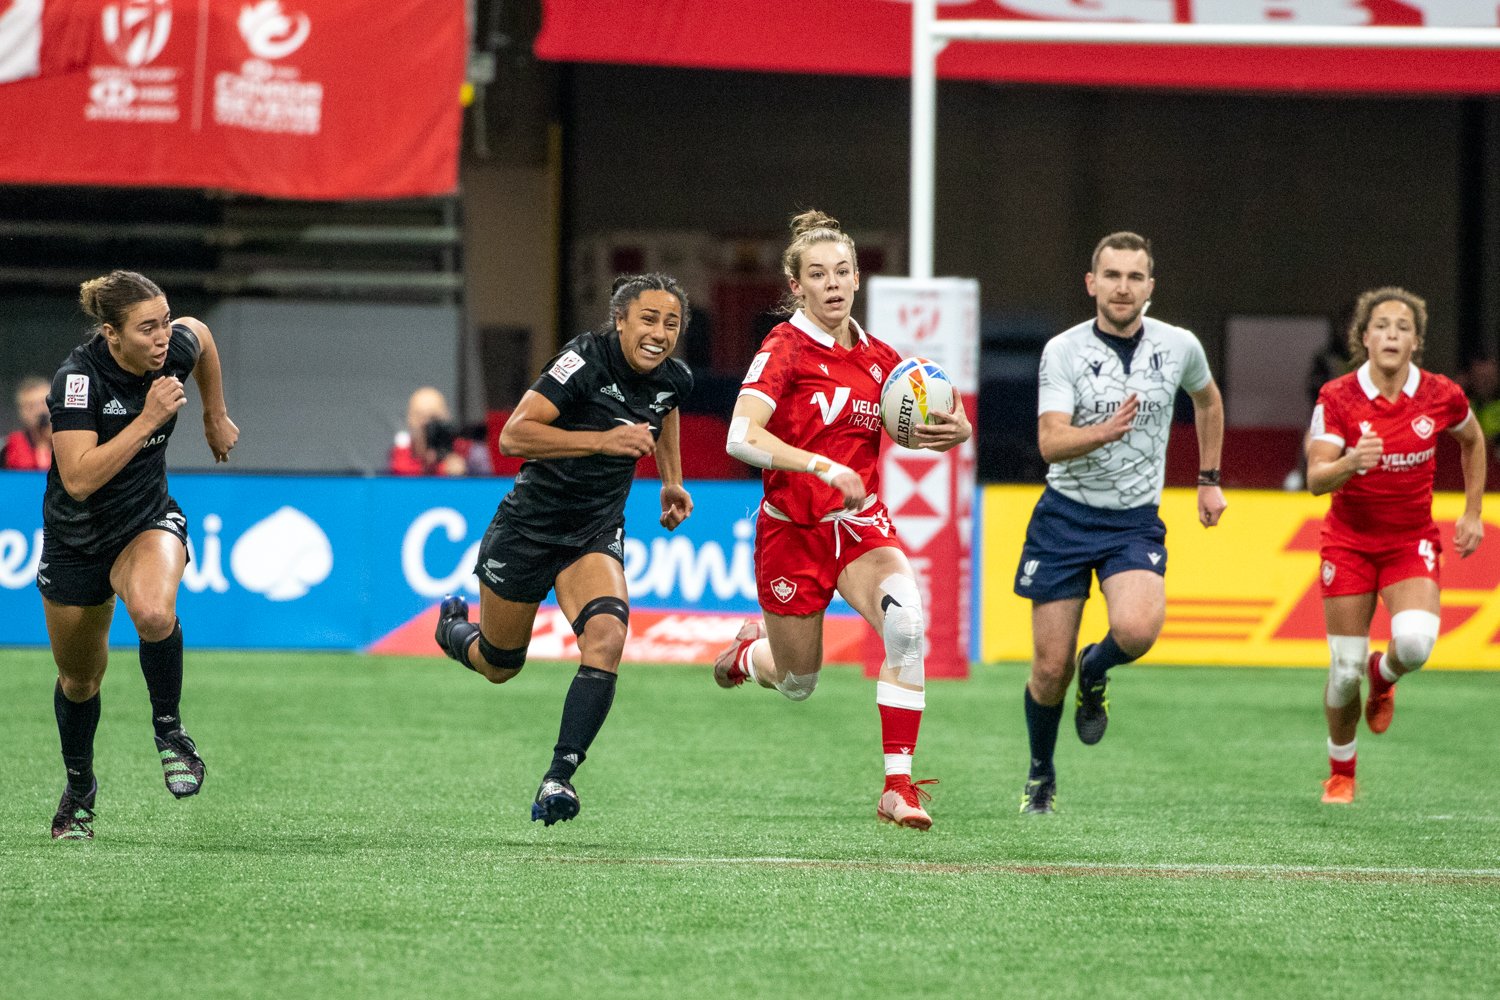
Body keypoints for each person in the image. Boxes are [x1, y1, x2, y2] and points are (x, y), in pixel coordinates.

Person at [710, 210, 971, 831]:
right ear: (795, 286)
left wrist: (954, 430)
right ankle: (752, 655)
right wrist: (822, 467)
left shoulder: (885, 362)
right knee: (799, 683)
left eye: (843, 271)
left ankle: (898, 788)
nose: (833, 283)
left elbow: (923, 423)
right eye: (818, 274)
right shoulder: (784, 349)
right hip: (791, 532)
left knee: (907, 625)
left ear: (858, 278)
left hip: (858, 529)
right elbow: (739, 437)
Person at [432, 273, 694, 825]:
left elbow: (665, 408)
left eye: (672, 323)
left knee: (608, 636)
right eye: (648, 319)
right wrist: (601, 440)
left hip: (593, 533)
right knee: (500, 666)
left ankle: (560, 778)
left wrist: (671, 480)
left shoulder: (674, 379)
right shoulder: (583, 360)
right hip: (527, 529)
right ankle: (454, 633)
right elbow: (513, 436)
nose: (660, 333)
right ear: (620, 320)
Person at [1011, 232, 1226, 815]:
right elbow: (1051, 443)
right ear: (1092, 283)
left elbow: (1207, 401)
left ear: (1150, 286)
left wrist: (1209, 477)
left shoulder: (1179, 345)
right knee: (1047, 668)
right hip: (1064, 518)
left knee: (1136, 631)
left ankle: (1096, 669)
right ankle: (1040, 774)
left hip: (1132, 521)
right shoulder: (1063, 350)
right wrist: (1100, 432)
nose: (1123, 287)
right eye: (1112, 275)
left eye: (1135, 277)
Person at [41, 270, 239, 840]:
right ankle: (80, 788)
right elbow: (77, 479)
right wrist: (150, 418)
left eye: (164, 320)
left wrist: (212, 414)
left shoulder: (173, 345)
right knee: (80, 679)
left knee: (153, 613)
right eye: (146, 328)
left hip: (144, 521)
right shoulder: (77, 381)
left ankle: (170, 731)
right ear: (111, 334)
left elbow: (200, 335)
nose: (162, 337)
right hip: (76, 539)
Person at [1305, 287, 1486, 804]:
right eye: (1381, 325)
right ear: (1364, 338)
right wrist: (1349, 463)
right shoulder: (1337, 397)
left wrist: (1472, 512)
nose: (1391, 334)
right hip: (1349, 545)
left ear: (1415, 343)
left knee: (1413, 646)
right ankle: (1341, 773)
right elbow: (1317, 478)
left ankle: (1383, 677)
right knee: (1341, 671)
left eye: (1402, 327)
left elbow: (1472, 441)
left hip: (1409, 543)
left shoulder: (1440, 395)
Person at [388, 385, 490, 476]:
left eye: (434, 417)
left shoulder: (470, 452)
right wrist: (438, 468)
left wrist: (466, 473)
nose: (427, 424)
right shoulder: (401, 452)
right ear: (410, 419)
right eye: (420, 416)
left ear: (446, 417)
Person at [3, 376, 53, 470]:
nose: (40, 411)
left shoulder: (69, 444)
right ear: (22, 412)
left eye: (44, 403)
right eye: (31, 406)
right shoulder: (8, 448)